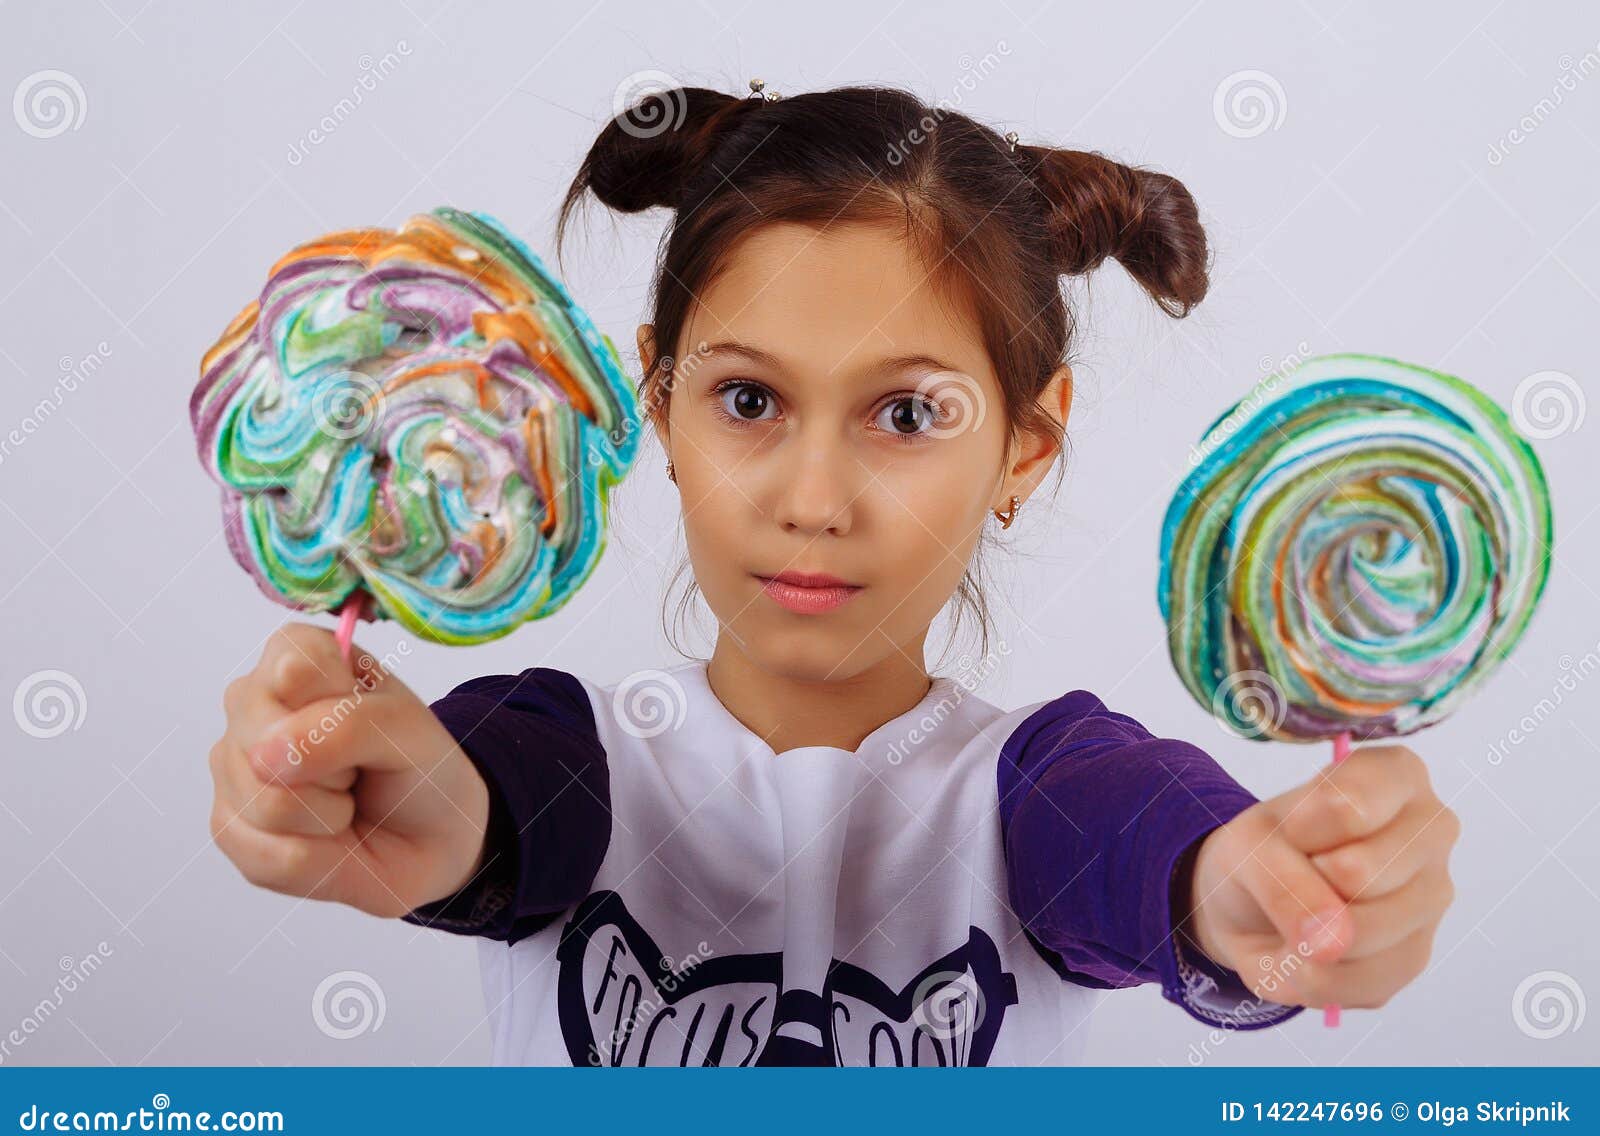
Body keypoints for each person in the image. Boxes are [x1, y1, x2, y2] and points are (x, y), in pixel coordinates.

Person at [206, 82, 1459, 1066]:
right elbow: (486, 798)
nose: (812, 499)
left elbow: (1137, 840)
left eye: (906, 415)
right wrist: (384, 787)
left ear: (1026, 442)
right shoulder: (568, 753)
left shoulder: (1039, 787)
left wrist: (1240, 888)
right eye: (746, 398)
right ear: (657, 397)